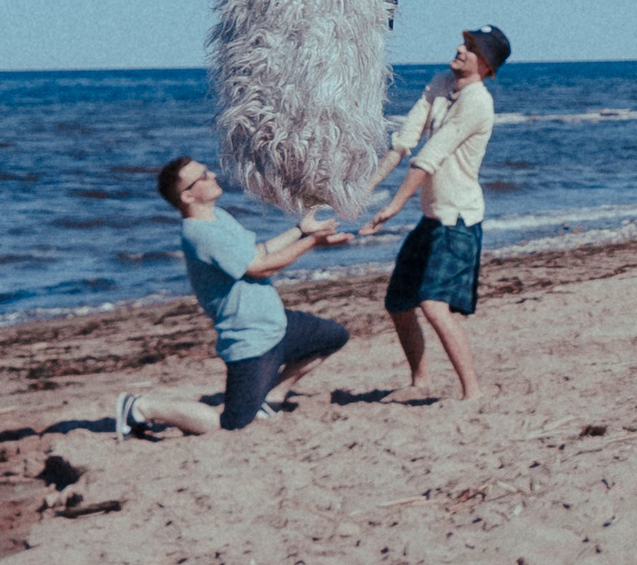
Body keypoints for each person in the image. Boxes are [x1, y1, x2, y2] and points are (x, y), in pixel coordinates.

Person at [117, 158, 351, 439]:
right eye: (203, 175)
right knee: (230, 424)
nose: (212, 173)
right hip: (250, 340)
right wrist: (312, 242)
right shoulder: (199, 233)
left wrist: (300, 230)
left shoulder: (218, 217)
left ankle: (273, 397)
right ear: (188, 196)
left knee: (333, 336)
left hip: (277, 324)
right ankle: (141, 406)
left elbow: (256, 254)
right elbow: (259, 269)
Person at [358, 25, 507, 403]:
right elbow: (406, 141)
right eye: (464, 42)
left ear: (486, 65)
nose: (461, 48)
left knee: (434, 305)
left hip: (458, 219)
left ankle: (472, 392)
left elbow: (431, 156)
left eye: (471, 48)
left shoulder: (477, 103)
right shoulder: (442, 82)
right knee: (398, 303)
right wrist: (362, 192)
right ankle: (420, 382)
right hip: (432, 217)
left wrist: (392, 207)